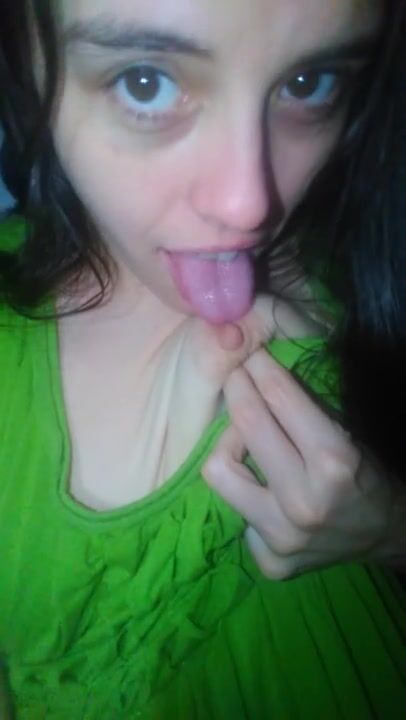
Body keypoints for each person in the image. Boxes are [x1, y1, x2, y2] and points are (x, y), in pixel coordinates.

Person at [0, 1, 405, 718]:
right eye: (146, 82)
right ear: (24, 67)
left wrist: (391, 529)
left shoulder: (369, 267)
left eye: (308, 83)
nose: (249, 205)